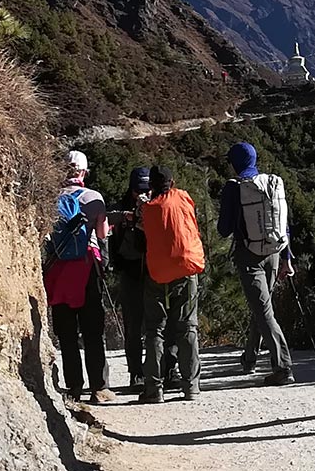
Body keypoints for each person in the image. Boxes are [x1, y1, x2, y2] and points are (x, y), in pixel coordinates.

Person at [218, 142, 295, 386]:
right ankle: (249, 359)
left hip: (248, 255)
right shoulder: (270, 184)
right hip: (274, 252)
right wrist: (287, 259)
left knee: (263, 310)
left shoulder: (234, 188)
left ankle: (283, 367)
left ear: (235, 163)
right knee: (262, 307)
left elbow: (223, 229)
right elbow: (283, 224)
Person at [46, 150, 115, 404]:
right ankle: (99, 387)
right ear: (84, 172)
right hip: (86, 268)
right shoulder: (94, 198)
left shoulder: (50, 198)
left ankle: (74, 387)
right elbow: (102, 234)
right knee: (92, 330)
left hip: (58, 271)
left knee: (66, 332)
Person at [138, 165, 206, 403]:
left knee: (155, 329)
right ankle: (191, 386)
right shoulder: (184, 196)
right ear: (172, 181)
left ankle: (154, 388)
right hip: (188, 265)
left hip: (158, 271)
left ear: (151, 185)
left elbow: (144, 228)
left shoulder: (148, 208)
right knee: (187, 326)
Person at [107, 166, 153, 389]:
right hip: (130, 270)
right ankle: (136, 373)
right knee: (133, 326)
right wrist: (127, 216)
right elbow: (104, 217)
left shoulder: (156, 205)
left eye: (146, 189)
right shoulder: (121, 208)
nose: (142, 195)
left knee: (156, 324)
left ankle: (159, 370)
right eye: (138, 190)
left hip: (154, 271)